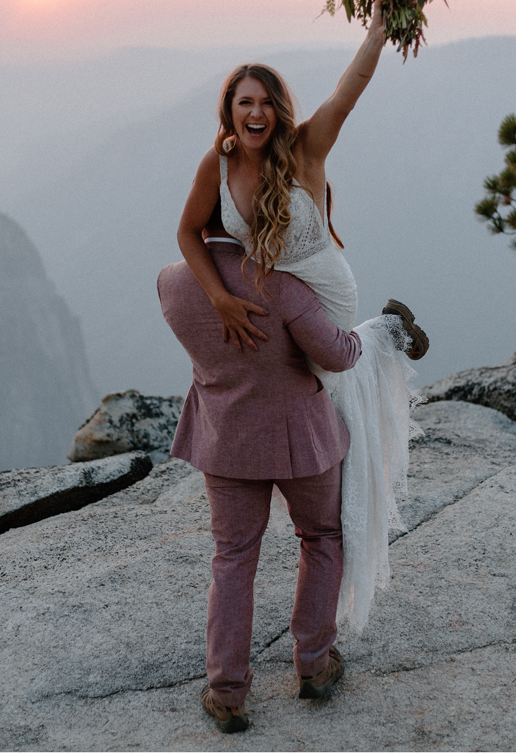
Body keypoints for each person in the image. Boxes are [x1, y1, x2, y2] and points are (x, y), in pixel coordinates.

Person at [177, 0, 428, 631]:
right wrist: (219, 296)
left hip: (322, 292)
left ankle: (385, 329)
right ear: (230, 113)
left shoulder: (307, 150)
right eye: (245, 102)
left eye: (266, 101)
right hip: (273, 297)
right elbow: (189, 235)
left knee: (335, 384)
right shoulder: (220, 162)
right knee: (313, 394)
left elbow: (350, 90)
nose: (256, 111)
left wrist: (376, 31)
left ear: (279, 110)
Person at [158, 232, 364, 732]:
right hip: (302, 440)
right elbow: (337, 355)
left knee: (232, 558)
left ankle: (227, 693)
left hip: (225, 440)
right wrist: (365, 338)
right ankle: (314, 664)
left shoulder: (171, 283)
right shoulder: (283, 284)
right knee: (321, 538)